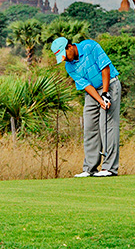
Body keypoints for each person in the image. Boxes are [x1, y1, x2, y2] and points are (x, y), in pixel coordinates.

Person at [52, 36, 121, 177]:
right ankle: (90, 168)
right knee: (90, 127)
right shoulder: (69, 66)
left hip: (110, 85)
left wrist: (106, 95)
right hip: (93, 93)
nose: (65, 59)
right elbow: (86, 85)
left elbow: (105, 68)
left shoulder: (90, 46)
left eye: (64, 55)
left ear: (70, 46)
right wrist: (99, 99)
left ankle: (109, 168)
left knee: (107, 126)